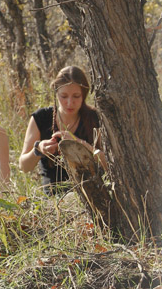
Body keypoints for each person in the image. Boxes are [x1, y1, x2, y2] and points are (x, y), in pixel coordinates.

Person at [19, 65, 105, 193]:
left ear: (84, 94)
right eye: (64, 96)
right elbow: (24, 166)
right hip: (52, 196)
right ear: (56, 93)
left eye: (76, 96)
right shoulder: (41, 118)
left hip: (91, 193)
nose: (70, 103)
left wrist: (79, 144)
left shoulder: (94, 118)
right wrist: (39, 149)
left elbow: (108, 163)